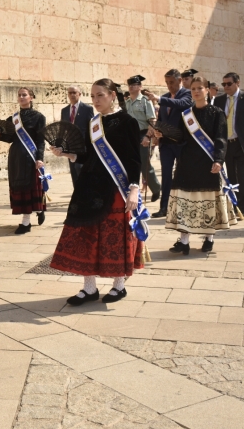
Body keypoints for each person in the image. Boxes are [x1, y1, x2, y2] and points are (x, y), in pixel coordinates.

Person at [49, 79, 143, 305]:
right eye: (92, 96)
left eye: (99, 95)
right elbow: (87, 154)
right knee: (86, 236)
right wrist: (66, 154)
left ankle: (119, 286)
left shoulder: (127, 122)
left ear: (112, 95)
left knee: (114, 237)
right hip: (89, 186)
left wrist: (133, 189)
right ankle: (89, 288)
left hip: (114, 188)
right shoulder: (94, 123)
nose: (95, 100)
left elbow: (133, 159)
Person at [159, 77, 236, 254]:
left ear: (207, 90)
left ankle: (209, 239)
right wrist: (162, 135)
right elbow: (179, 138)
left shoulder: (216, 113)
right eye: (193, 88)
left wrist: (218, 159)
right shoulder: (186, 115)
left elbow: (221, 139)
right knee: (185, 202)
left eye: (199, 88)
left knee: (206, 201)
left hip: (208, 163)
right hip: (187, 163)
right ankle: (184, 241)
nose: (195, 91)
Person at [0, 87, 47, 235]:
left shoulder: (39, 117)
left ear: (31, 97)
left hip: (30, 157)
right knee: (19, 186)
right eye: (19, 95)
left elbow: (41, 140)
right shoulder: (13, 118)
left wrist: (40, 158)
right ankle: (37, 209)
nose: (22, 97)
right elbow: (10, 138)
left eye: (24, 95)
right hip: (16, 156)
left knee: (29, 187)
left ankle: (26, 222)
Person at [212, 73, 244, 216]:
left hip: (243, 143)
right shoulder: (219, 100)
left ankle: (243, 207)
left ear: (237, 83)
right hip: (227, 144)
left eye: (229, 84)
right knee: (232, 177)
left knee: (243, 176)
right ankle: (234, 205)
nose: (226, 87)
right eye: (224, 84)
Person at [143, 69, 193, 217]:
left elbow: (182, 104)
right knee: (166, 176)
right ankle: (164, 207)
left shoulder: (187, 94)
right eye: (167, 83)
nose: (169, 85)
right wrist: (157, 132)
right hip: (166, 144)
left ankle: (183, 207)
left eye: (171, 82)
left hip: (182, 143)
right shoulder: (164, 98)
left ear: (179, 81)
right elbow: (160, 120)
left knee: (182, 175)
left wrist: (158, 99)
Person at [125, 75, 161, 202]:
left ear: (140, 86)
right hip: (130, 136)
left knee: (145, 164)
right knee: (131, 164)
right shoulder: (127, 102)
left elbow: (152, 121)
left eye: (134, 85)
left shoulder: (145, 101)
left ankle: (156, 188)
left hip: (142, 134)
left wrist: (147, 136)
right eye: (129, 85)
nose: (131, 87)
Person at [60, 86, 94, 187]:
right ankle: (77, 194)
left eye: (74, 92)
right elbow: (62, 128)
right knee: (74, 171)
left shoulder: (87, 109)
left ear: (79, 94)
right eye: (70, 93)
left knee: (82, 170)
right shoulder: (65, 110)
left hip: (84, 146)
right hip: (71, 146)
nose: (72, 95)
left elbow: (91, 127)